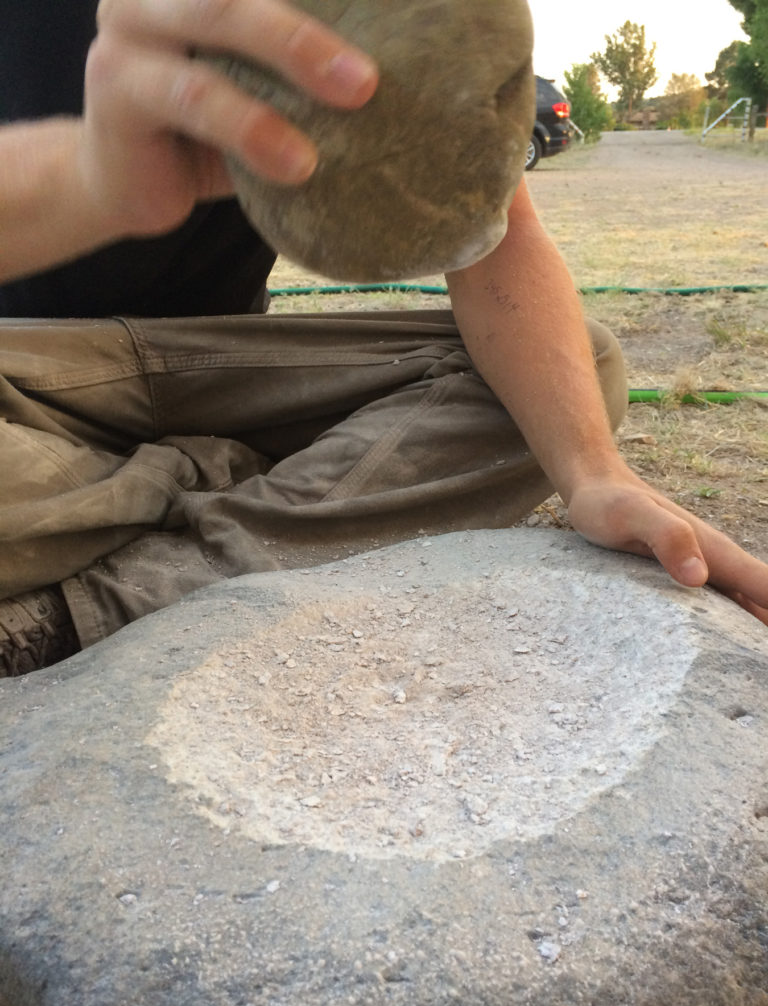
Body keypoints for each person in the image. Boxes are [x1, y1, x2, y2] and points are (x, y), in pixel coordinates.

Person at [1, 0, 767, 678]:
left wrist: (595, 470)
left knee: (577, 374)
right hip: (25, 373)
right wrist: (90, 180)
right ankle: (226, 482)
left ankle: (82, 598)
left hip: (225, 365)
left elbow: (496, 239)